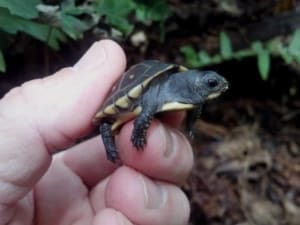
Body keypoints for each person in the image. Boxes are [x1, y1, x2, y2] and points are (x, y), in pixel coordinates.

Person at [0, 40, 194, 225]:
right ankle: (112, 148)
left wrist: (190, 123)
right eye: (210, 83)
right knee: (110, 125)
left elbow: (193, 102)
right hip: (133, 102)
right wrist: (137, 134)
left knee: (139, 186)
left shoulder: (187, 93)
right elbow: (147, 107)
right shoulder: (159, 86)